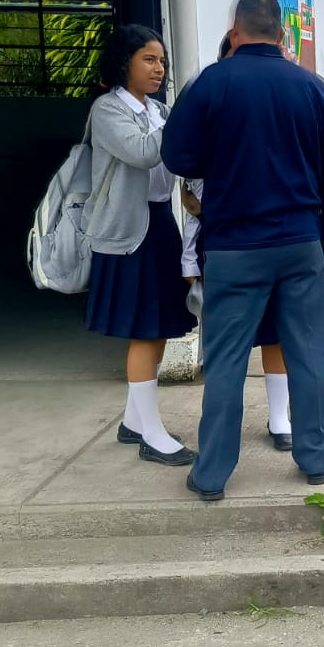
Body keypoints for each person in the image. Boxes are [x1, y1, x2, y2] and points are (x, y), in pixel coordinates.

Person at [162, 0, 324, 501]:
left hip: (234, 246)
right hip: (299, 243)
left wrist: (222, 157)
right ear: (282, 34)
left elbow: (176, 156)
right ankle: (314, 458)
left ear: (234, 30)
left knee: (225, 361)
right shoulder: (312, 87)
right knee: (306, 352)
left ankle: (212, 474)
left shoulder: (210, 83)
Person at [83, 24, 198, 467]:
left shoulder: (159, 110)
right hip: (127, 234)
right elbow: (145, 152)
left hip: (159, 223)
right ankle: (152, 434)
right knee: (146, 331)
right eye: (149, 59)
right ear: (124, 62)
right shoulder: (107, 110)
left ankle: (134, 421)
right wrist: (185, 115)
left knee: (161, 325)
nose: (159, 68)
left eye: (162, 60)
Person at [178, 32, 294, 451]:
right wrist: (189, 262)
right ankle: (223, 431)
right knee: (228, 343)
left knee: (276, 333)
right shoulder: (209, 117)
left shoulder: (278, 110)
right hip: (224, 247)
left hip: (275, 241)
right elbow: (192, 202)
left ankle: (280, 418)